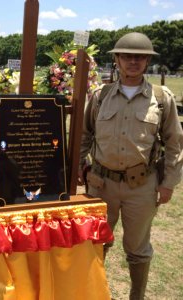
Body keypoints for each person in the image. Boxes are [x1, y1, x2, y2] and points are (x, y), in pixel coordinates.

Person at [79, 32, 183, 300]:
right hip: (101, 185)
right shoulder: (100, 96)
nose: (133, 62)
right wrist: (82, 169)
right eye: (127, 56)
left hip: (142, 187)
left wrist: (168, 183)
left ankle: (136, 296)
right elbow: (84, 135)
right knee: (96, 243)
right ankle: (94, 293)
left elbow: (174, 144)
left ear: (147, 62)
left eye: (140, 57)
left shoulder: (161, 98)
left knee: (137, 249)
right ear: (116, 60)